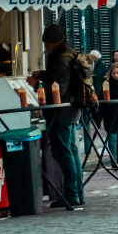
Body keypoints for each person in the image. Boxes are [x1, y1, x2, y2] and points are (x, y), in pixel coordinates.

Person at [33, 24, 84, 208]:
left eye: (47, 44)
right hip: (70, 110)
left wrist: (37, 84)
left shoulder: (62, 58)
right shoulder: (68, 54)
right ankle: (78, 192)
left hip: (61, 111)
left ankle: (72, 194)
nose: (46, 48)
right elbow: (59, 78)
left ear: (53, 43)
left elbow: (59, 88)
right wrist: (44, 74)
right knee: (71, 152)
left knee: (64, 153)